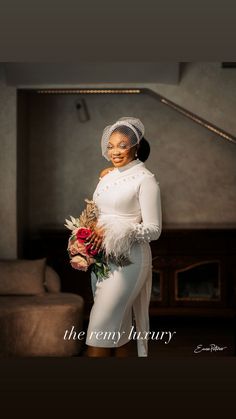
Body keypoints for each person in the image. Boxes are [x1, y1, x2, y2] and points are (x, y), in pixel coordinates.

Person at [85, 117, 162, 357]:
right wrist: (84, 234)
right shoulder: (107, 176)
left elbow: (154, 229)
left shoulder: (146, 180)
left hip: (129, 262)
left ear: (136, 146)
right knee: (118, 332)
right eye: (110, 146)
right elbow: (98, 213)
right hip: (102, 262)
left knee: (99, 330)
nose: (115, 151)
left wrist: (114, 229)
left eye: (122, 145)